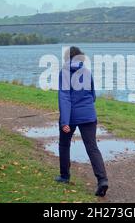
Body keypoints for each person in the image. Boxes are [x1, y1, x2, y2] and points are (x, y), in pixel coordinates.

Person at [55, 46, 109, 197]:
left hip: (71, 116)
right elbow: (92, 95)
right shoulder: (86, 71)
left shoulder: (64, 71)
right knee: (92, 148)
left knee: (64, 144)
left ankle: (64, 176)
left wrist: (65, 121)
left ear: (67, 57)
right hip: (88, 114)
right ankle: (102, 180)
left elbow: (64, 96)